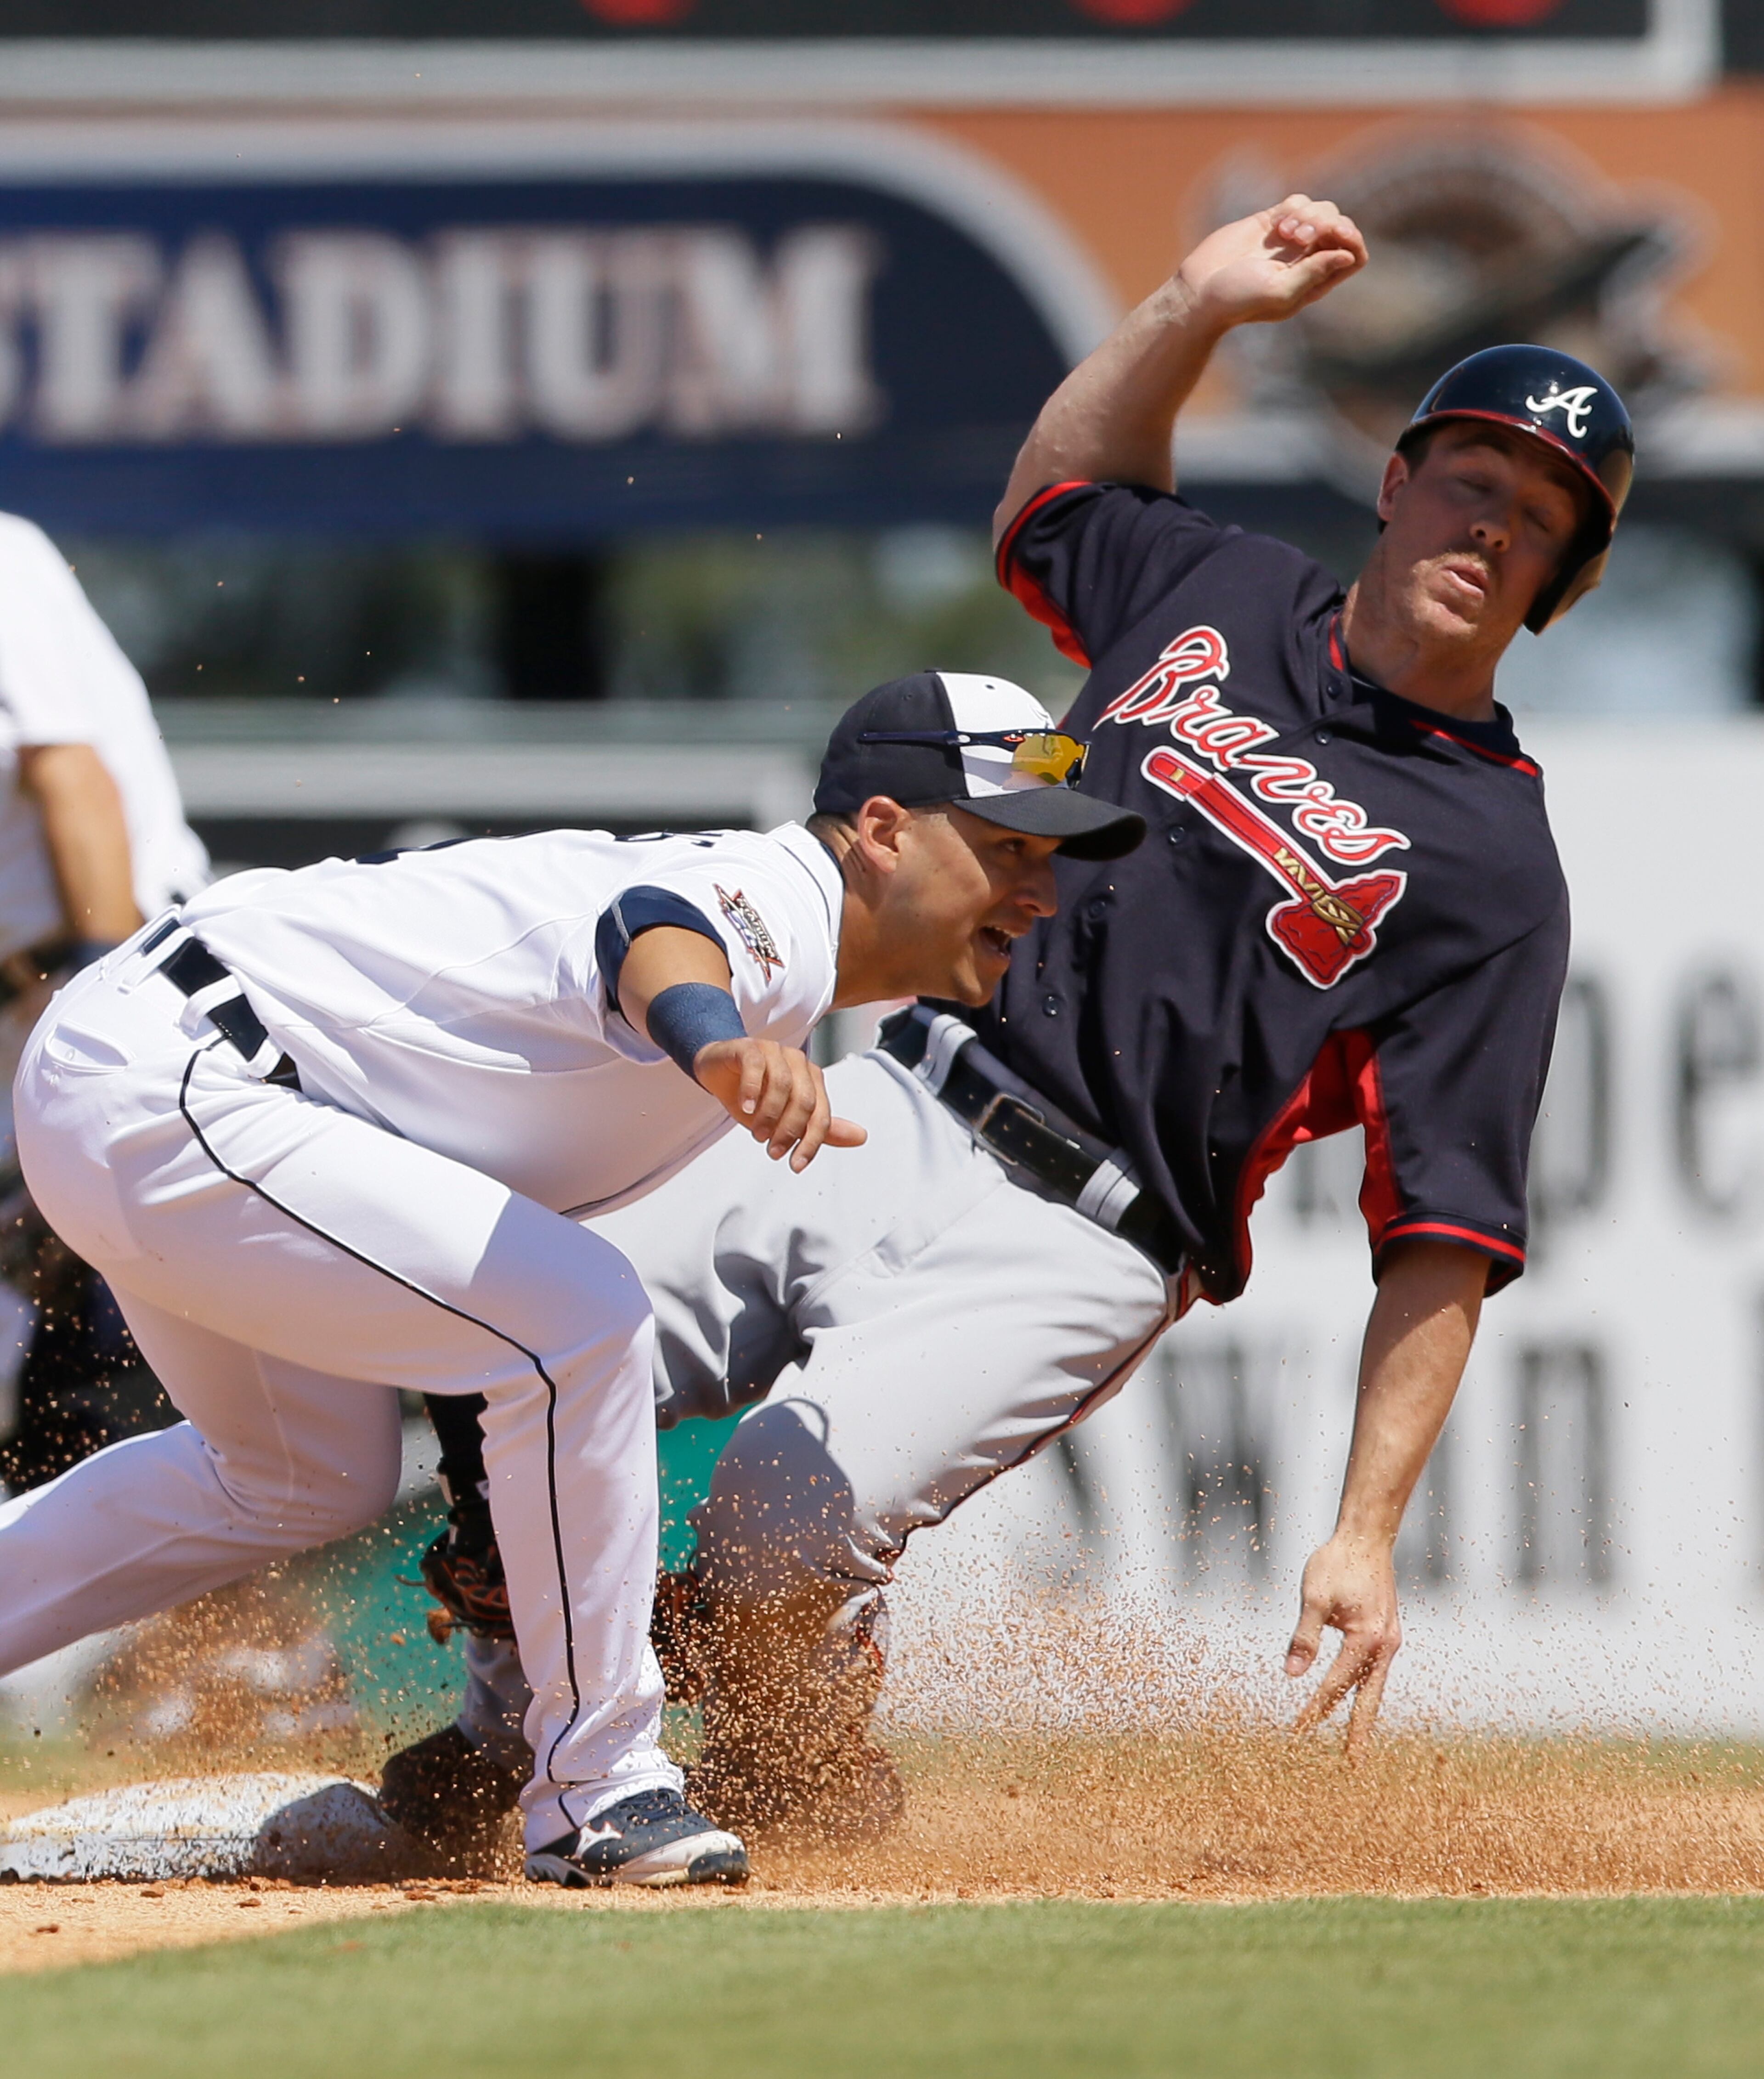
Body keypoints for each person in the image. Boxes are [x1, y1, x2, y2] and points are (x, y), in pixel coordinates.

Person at [384, 194, 1633, 1848]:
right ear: (1397, 483)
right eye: (1475, 479)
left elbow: (1449, 1225)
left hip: (1090, 1231)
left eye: (1543, 519)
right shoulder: (1225, 586)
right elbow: (1055, 499)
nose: (1495, 526)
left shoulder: (1493, 862)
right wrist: (1190, 301)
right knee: (509, 1302)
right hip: (893, 1093)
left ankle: (800, 1763)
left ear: (1560, 581)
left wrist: (1364, 1527)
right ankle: (513, 1720)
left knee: (767, 1529)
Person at [0, 669, 1140, 1887]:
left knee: (306, 1477)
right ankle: (603, 1788)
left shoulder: (790, 948)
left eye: (1053, 853)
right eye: (1008, 843)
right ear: (881, 830)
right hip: (185, 1078)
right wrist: (715, 1038)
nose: (1041, 886)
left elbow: (466, 1265)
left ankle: (583, 1769)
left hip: (161, 1067)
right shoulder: (782, 907)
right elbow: (649, 931)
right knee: (584, 1317)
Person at [0, 516, 209, 1492]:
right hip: (28, 1034)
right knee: (50, 1407)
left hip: (114, 996)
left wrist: (90, 1017)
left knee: (136, 1385)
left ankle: (258, 1644)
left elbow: (72, 776)